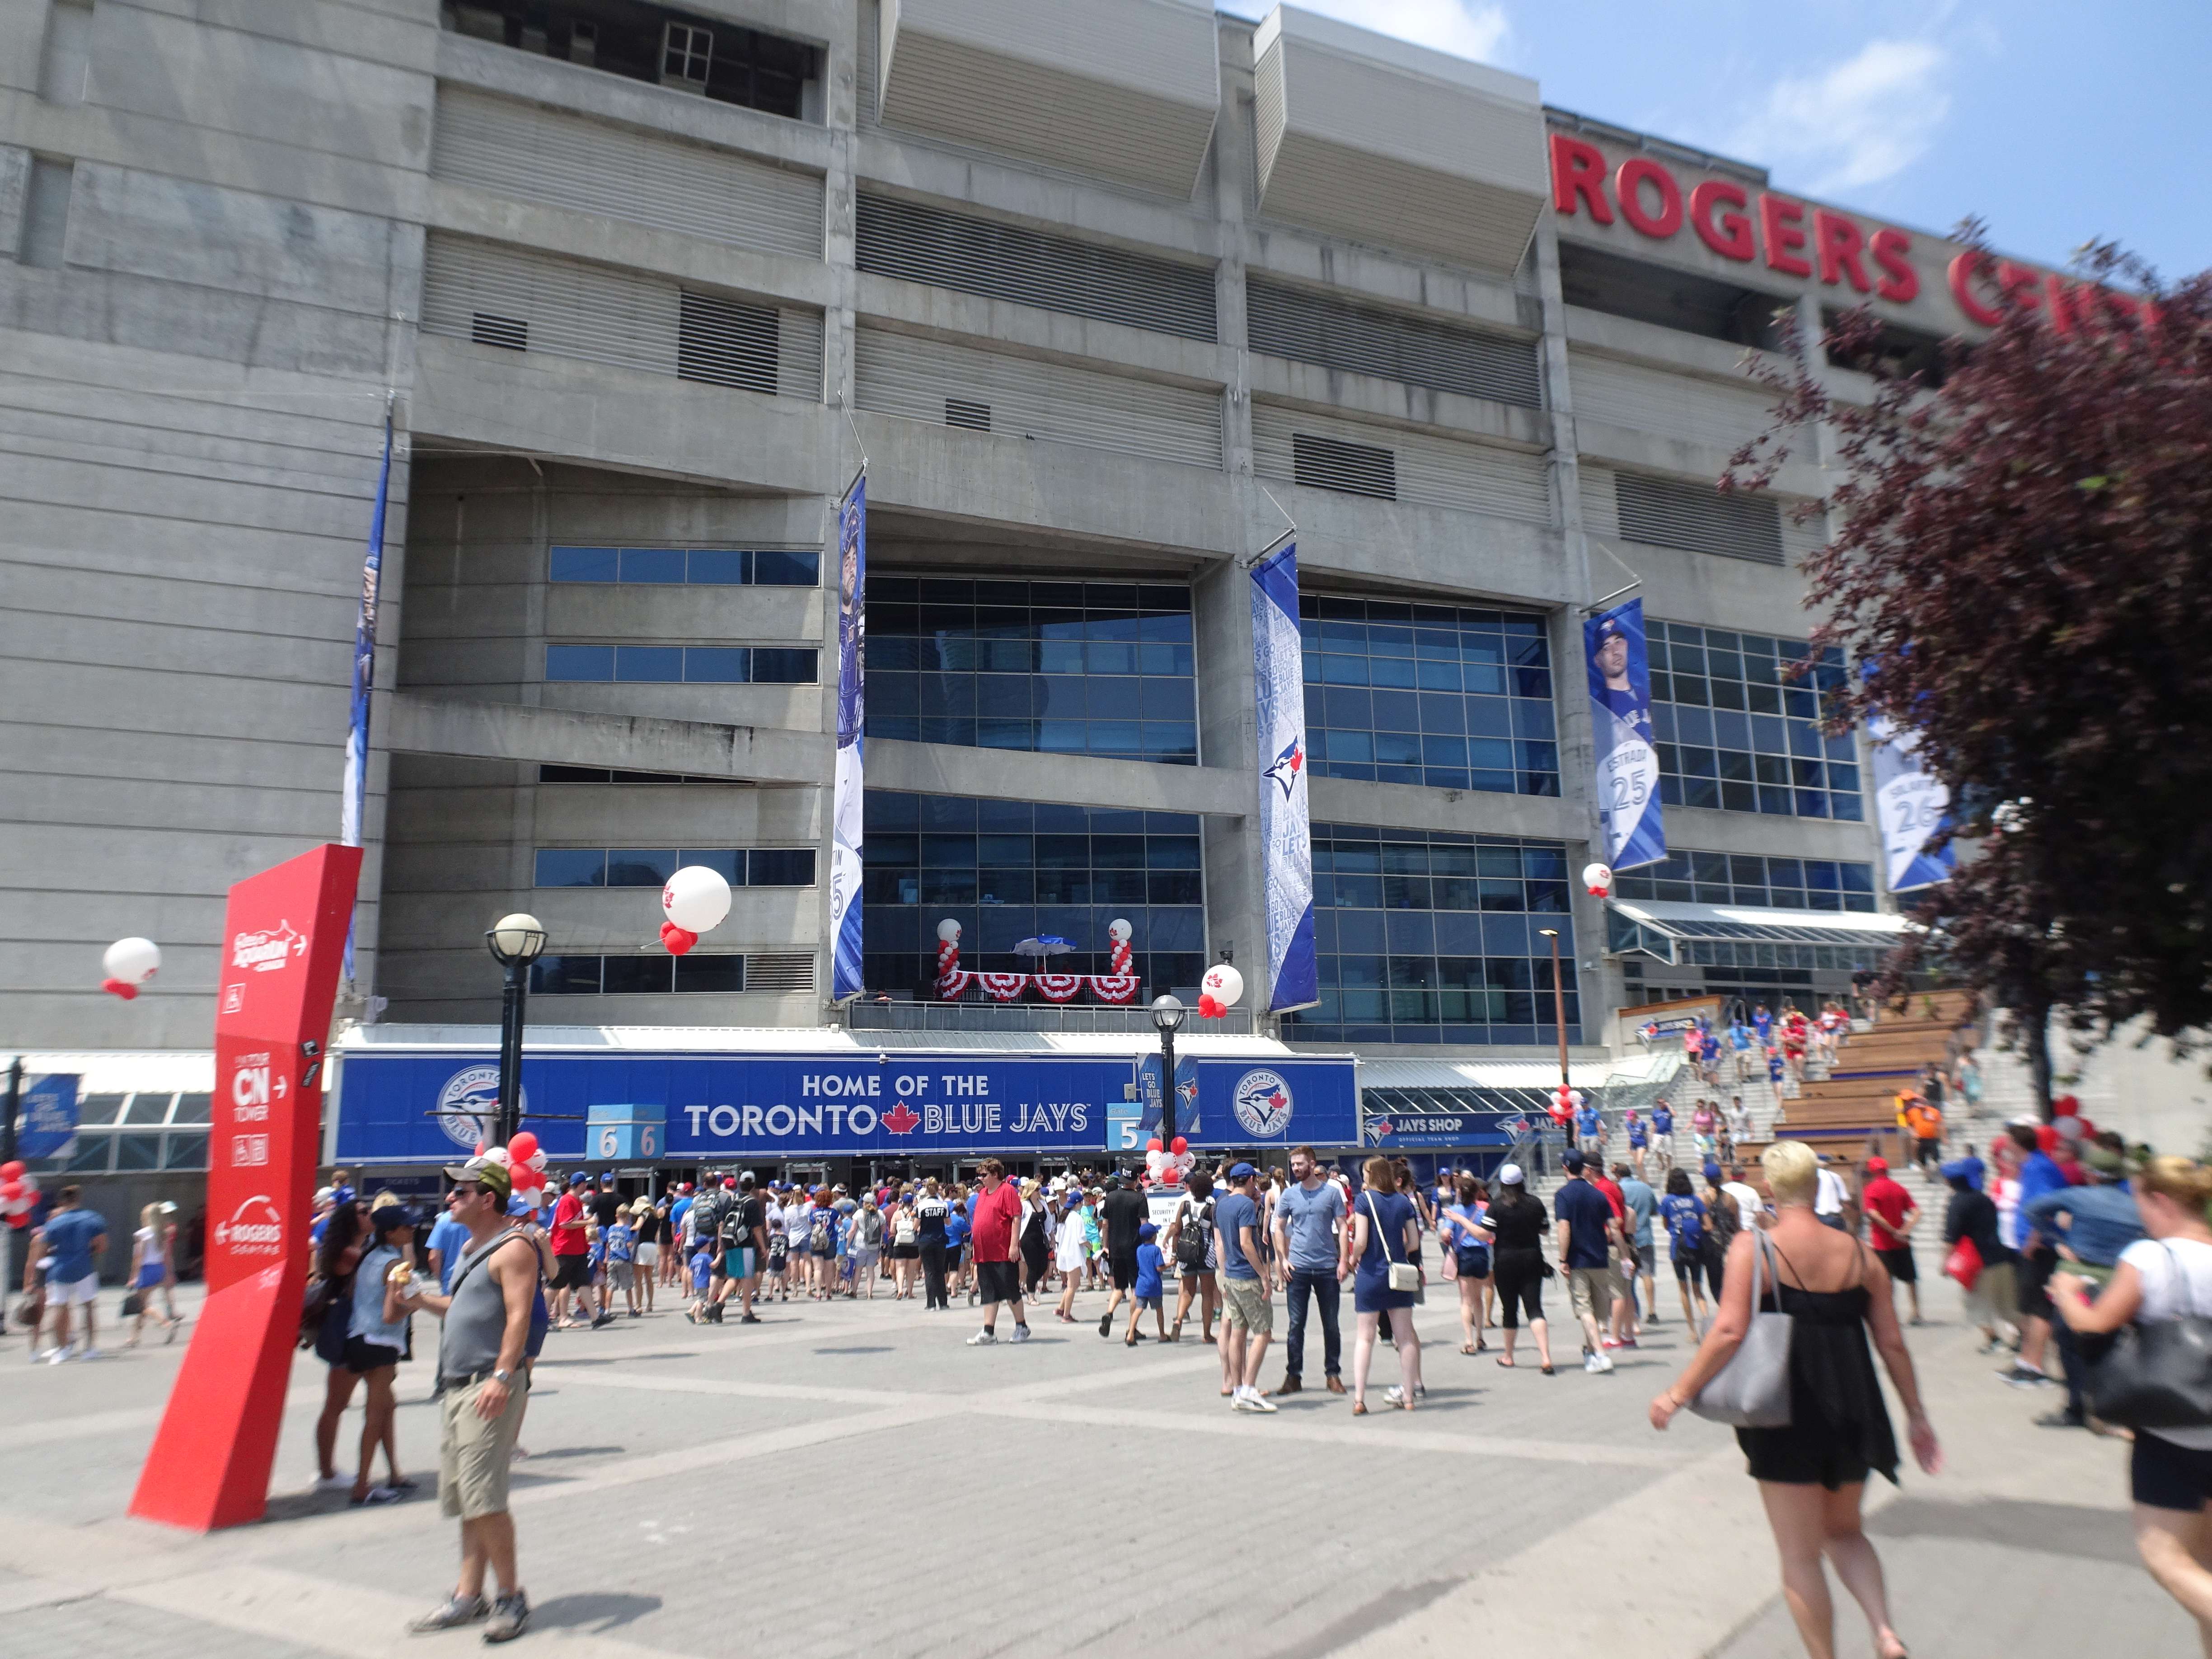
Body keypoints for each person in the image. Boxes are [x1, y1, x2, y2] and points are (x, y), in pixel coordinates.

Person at [1649, 1141, 1940, 1659]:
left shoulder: (1753, 1248)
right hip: (1856, 1406)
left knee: (1801, 1556)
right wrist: (1917, 1415)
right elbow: (1892, 1343)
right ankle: (1884, 1630)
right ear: (1816, 1185)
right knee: (1847, 1533)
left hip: (1786, 1413)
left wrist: (1679, 1393)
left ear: (1771, 1189)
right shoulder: (1861, 1254)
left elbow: (1730, 1329)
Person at [2044, 1155, 2212, 1650]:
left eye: (2140, 1199)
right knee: (2203, 1566)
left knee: (2166, 1559)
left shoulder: (2150, 1257)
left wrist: (2068, 1291)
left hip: (2171, 1433)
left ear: (2160, 1200)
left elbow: (2095, 1324)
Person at [404, 1156, 539, 1643]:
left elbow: (519, 1317)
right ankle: (468, 1595)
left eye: (460, 1193)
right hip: (459, 1386)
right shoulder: (471, 1247)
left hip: (488, 1383)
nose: (449, 1199)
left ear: (488, 1199)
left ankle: (510, 1597)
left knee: (486, 1497)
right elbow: (460, 1308)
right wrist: (420, 1301)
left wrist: (503, 1377)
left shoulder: (514, 1247)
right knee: (467, 1499)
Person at [2023, 1143, 2144, 1432]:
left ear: (2090, 1174)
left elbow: (2033, 1210)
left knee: (2068, 1341)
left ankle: (2077, 1407)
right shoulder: (2134, 1207)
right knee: (2113, 1343)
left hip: (2075, 1274)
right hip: (2118, 1278)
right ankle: (2111, 1408)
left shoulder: (2078, 1196)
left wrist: (2058, 1238)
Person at [341, 1204, 417, 1505]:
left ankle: (395, 1473)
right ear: (391, 1232)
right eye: (407, 1227)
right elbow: (390, 1314)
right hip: (381, 1342)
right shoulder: (396, 1266)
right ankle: (361, 1486)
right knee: (375, 1415)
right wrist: (417, 1304)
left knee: (387, 1407)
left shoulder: (369, 1257)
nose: (412, 1230)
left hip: (358, 1336)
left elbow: (352, 1293)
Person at [1347, 1156, 1422, 1414]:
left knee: (1365, 1338)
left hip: (1370, 1274)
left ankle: (1359, 1399)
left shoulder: (1364, 1200)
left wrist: (1352, 1258)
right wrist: (1396, 1251)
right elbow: (1414, 1243)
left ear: (1373, 1174)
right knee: (1406, 1338)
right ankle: (1409, 1396)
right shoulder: (1404, 1202)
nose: (1363, 1176)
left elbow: (1361, 1241)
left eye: (1365, 1172)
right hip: (1398, 1275)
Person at [1270, 1144, 1347, 1394]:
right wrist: (1282, 1259)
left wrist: (1344, 1260)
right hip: (1298, 1268)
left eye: (1300, 1164)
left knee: (1331, 1324)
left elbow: (1343, 1227)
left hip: (1327, 1267)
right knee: (1296, 1324)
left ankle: (1333, 1374)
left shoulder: (1332, 1193)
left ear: (1312, 1165)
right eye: (1293, 1165)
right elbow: (1278, 1228)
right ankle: (1294, 1375)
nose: (1295, 1169)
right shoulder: (1290, 1195)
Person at [1212, 1163, 1275, 1411]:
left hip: (1231, 1275)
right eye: (1255, 1181)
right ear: (1250, 1179)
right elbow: (1247, 1243)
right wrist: (1264, 1275)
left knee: (1238, 1331)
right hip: (1248, 1275)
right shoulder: (1245, 1205)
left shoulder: (1222, 1203)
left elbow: (1221, 1243)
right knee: (1263, 1332)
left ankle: (1238, 1389)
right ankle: (1249, 1388)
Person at [1480, 1163, 1552, 1373]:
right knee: (1535, 1308)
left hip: (1505, 1261)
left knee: (1509, 1309)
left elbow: (1486, 1233)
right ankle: (1546, 1357)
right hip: (1532, 1258)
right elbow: (1545, 1230)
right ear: (1523, 1181)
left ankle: (1509, 1356)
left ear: (1502, 1184)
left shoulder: (1497, 1206)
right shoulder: (1535, 1203)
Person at [1553, 1151, 1618, 1374]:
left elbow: (1564, 1227)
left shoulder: (1563, 1195)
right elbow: (1613, 1227)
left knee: (1584, 1308)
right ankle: (1591, 1353)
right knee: (1599, 1310)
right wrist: (1625, 1254)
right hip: (1599, 1257)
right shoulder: (1598, 1195)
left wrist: (1563, 1259)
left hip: (1578, 1259)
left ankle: (1600, 1353)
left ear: (1565, 1168)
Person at [1940, 1158, 2013, 1353]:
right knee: (2006, 1304)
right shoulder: (1984, 1198)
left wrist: (1944, 1263)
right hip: (2000, 1256)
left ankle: (1993, 1339)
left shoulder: (1957, 1203)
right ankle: (2022, 1340)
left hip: (1978, 1263)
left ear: (1949, 1182)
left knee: (1974, 1303)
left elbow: (1950, 1237)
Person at [27, 1185, 107, 1362]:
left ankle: (62, 1350)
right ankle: (90, 1348)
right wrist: (88, 1249)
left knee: (59, 1309)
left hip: (59, 1269)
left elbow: (41, 1251)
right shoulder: (93, 1219)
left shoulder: (54, 1223)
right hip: (84, 1268)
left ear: (62, 1201)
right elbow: (102, 1247)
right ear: (79, 1199)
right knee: (88, 1308)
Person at [964, 1159, 1030, 1345]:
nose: (981, 1179)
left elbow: (1016, 1219)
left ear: (995, 1174)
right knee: (989, 1292)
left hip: (1003, 1250)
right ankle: (988, 1331)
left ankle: (1022, 1326)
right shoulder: (983, 1193)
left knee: (1010, 1290)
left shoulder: (1007, 1191)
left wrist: (1014, 1245)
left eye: (984, 1175)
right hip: (985, 1252)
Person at [1857, 1158, 1920, 1325]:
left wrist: (1893, 1232)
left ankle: (1890, 1313)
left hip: (1883, 1243)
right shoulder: (1899, 1188)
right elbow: (1916, 1212)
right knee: (1910, 1278)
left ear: (1872, 1172)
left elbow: (1874, 1215)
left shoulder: (1870, 1190)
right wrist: (1905, 1230)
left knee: (1885, 1280)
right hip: (1902, 1242)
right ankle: (1916, 1311)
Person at [1439, 1175, 1491, 1356]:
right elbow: (1490, 1235)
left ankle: (1469, 1341)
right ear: (1477, 1194)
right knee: (1478, 1299)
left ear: (1459, 1193)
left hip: (1465, 1256)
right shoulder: (1483, 1211)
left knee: (1466, 1301)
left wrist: (1448, 1238)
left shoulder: (1455, 1211)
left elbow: (1445, 1233)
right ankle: (1480, 1337)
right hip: (1482, 1256)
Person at [1166, 1172, 1218, 1345]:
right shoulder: (1212, 1208)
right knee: (1207, 1293)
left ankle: (1179, 1319)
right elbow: (1216, 1234)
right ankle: (1207, 1334)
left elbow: (1177, 1230)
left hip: (1186, 1251)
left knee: (1188, 1290)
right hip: (1206, 1252)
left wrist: (1174, 1253)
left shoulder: (1185, 1206)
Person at [1095, 1172, 1148, 1339]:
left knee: (1119, 1287)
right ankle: (1132, 1328)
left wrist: (1106, 1246)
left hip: (1115, 1249)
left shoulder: (1110, 1198)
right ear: (1136, 1180)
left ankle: (1109, 1313)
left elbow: (1105, 1224)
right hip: (1134, 1248)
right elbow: (1144, 1225)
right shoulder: (1139, 1199)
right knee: (1136, 1289)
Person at [547, 1172, 604, 1329]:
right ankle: (543, 1319)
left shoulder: (576, 1201)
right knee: (556, 1284)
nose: (587, 1186)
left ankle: (596, 1318)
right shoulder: (567, 1201)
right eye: (585, 1183)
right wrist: (588, 1222)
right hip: (565, 1249)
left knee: (584, 1283)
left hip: (578, 1249)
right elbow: (565, 1224)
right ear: (580, 1185)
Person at [1658, 1170, 1711, 1335]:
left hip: (1678, 1246)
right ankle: (1707, 1320)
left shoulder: (1667, 1201)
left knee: (1683, 1289)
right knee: (1698, 1288)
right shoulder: (1695, 1200)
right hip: (1695, 1246)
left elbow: (1666, 1225)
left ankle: (1692, 1330)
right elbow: (1708, 1225)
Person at [125, 1202, 181, 1345]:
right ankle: (134, 1338)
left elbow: (138, 1257)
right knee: (142, 1305)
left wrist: (133, 1277)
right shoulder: (163, 1233)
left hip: (146, 1270)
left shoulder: (143, 1234)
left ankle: (166, 1322)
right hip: (159, 1268)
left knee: (143, 1306)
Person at [1617, 1160, 1659, 1331]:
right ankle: (1652, 1311)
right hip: (1646, 1236)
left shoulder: (1619, 1189)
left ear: (1618, 1175)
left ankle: (1634, 1317)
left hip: (1628, 1239)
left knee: (1629, 1281)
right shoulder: (1645, 1188)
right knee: (1647, 1275)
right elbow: (1655, 1210)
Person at [1126, 1222, 1169, 1344]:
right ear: (1153, 1237)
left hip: (1141, 1284)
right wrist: (1171, 1264)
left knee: (1139, 1309)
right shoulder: (1156, 1250)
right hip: (1154, 1284)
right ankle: (1162, 1335)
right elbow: (1159, 1268)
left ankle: (1130, 1334)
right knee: (1159, 1309)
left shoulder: (1139, 1250)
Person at [1053, 1189, 1090, 1322]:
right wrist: (1091, 1247)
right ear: (1079, 1204)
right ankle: (1066, 1315)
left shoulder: (1064, 1217)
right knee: (1072, 1286)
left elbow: (1058, 1237)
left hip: (1064, 1254)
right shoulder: (1077, 1218)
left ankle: (1061, 1309)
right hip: (1074, 1255)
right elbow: (1082, 1239)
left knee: (1071, 1284)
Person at [631, 1197, 662, 1314]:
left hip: (642, 1246)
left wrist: (629, 1229)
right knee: (649, 1279)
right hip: (653, 1246)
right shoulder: (655, 1217)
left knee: (638, 1279)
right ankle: (650, 1304)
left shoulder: (643, 1215)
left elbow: (638, 1227)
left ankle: (638, 1305)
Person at [889, 1187, 921, 1300]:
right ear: (912, 1202)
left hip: (899, 1244)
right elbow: (918, 1229)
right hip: (913, 1244)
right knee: (911, 1270)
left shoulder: (897, 1214)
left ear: (902, 1202)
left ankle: (900, 1290)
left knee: (900, 1269)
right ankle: (910, 1292)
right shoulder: (915, 1214)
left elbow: (892, 1231)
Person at [1650, 1098, 1674, 1176]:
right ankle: (1662, 1163)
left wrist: (1669, 1106)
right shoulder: (1656, 1112)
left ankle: (1670, 1167)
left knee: (1669, 1152)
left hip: (1667, 1133)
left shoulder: (1668, 1110)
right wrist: (1652, 1133)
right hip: (1658, 1134)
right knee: (1657, 1149)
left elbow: (1674, 1115)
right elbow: (1654, 1123)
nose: (1661, 1104)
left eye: (1662, 1102)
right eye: (1659, 1102)